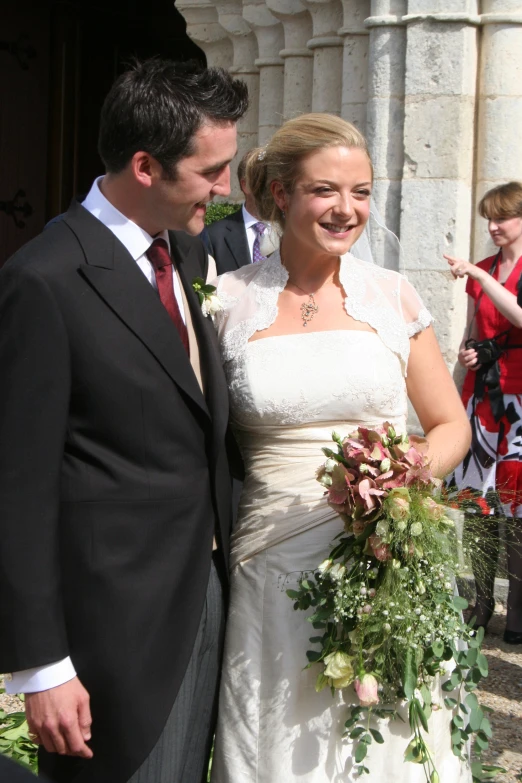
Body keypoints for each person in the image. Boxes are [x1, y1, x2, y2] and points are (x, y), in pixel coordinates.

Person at [0, 59, 248, 783]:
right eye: (212, 171)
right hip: (113, 622)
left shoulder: (188, 251)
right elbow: (17, 488)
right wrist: (40, 665)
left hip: (205, 590)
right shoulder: (44, 280)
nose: (226, 189)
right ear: (145, 166)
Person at [209, 113, 471, 782]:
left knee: (384, 744)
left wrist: (402, 480)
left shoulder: (393, 296)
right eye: (326, 190)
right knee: (277, 744)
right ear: (280, 194)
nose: (346, 209)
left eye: (360, 191)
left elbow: (450, 425)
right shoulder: (226, 303)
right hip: (269, 562)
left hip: (384, 560)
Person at [445, 181, 522, 644]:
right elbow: (474, 332)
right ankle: (482, 600)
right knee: (479, 507)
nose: (492, 227)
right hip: (481, 398)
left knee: (517, 508)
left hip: (518, 402)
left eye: (501, 218)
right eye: (488, 219)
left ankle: (518, 606)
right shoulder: (485, 270)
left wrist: (479, 273)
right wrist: (467, 355)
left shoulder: (488, 272)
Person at [205, 149, 277, 273]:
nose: (272, 190)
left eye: (276, 183)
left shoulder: (293, 232)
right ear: (245, 185)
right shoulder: (214, 236)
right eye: (263, 182)